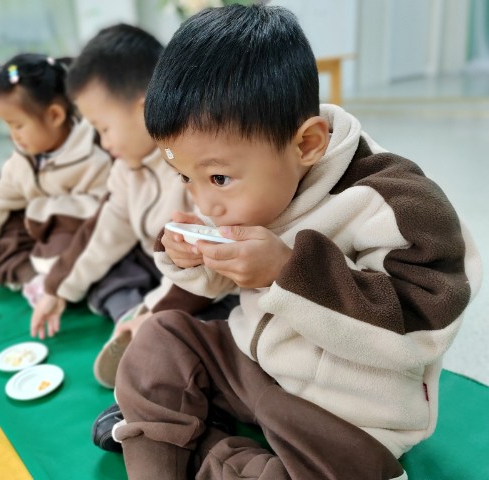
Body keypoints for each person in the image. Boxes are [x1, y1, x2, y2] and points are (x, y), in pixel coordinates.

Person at [96, 5, 482, 479]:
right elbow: (219, 280)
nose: (204, 202)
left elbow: (419, 331)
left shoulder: (398, 201)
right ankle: (172, 443)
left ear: (306, 145)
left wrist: (286, 270)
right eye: (183, 177)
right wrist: (191, 257)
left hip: (342, 414)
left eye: (218, 178)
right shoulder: (244, 176)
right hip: (254, 363)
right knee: (160, 338)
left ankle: (180, 435)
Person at [29, 24, 238, 387]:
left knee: (213, 321)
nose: (102, 142)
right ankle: (134, 318)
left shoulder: (194, 164)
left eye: (104, 128)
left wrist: (153, 311)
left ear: (144, 111)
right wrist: (55, 288)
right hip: (159, 270)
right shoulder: (126, 169)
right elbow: (102, 232)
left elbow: (207, 267)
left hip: (209, 284)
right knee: (109, 264)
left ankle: (151, 335)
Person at [0, 53, 112, 330]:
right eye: (8, 125)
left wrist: (48, 210)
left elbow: (105, 208)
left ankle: (60, 283)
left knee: (64, 232)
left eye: (18, 125)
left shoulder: (93, 153)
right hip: (39, 228)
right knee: (6, 230)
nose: (13, 135)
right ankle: (34, 280)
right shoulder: (24, 159)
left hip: (76, 234)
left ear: (55, 115)